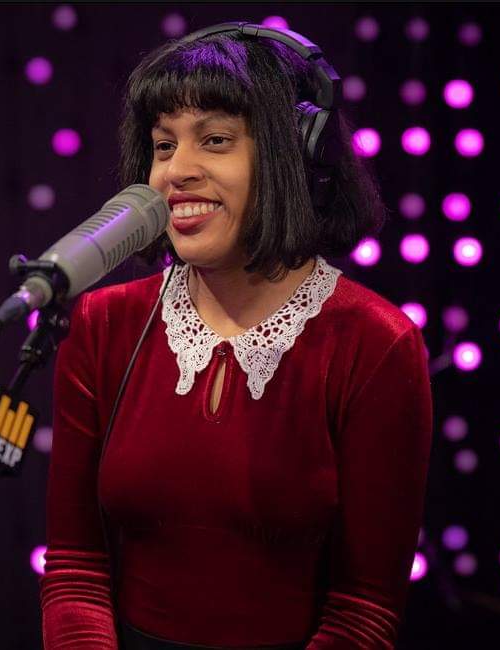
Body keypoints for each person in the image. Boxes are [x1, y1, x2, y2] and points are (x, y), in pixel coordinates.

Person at [40, 23, 433, 650]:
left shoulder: (376, 344)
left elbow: (363, 611)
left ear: (296, 155)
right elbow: (75, 571)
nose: (176, 172)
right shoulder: (101, 324)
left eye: (215, 140)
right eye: (163, 145)